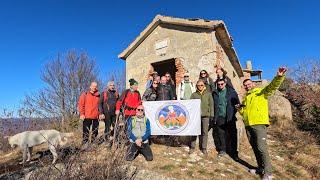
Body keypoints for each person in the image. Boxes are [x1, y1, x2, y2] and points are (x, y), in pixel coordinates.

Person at [237, 67, 287, 180]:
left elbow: (272, 87)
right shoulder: (246, 98)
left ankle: (268, 172)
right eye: (245, 85)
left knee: (261, 148)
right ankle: (260, 168)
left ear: (253, 84)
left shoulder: (261, 92)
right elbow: (244, 112)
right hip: (248, 125)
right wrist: (239, 109)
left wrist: (279, 76)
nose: (247, 86)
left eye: (249, 84)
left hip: (259, 124)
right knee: (255, 147)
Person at [212, 78, 240, 160]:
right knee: (221, 134)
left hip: (230, 117)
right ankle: (222, 150)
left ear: (225, 84)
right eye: (219, 84)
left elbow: (237, 104)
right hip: (220, 117)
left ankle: (234, 153)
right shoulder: (215, 93)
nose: (220, 86)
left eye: (222, 84)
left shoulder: (232, 92)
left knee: (233, 135)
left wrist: (232, 113)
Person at [189, 79, 214, 155]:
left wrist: (211, 115)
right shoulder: (194, 95)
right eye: (198, 85)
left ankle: (204, 148)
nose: (200, 86)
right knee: (194, 131)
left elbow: (211, 105)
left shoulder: (208, 94)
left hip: (206, 116)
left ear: (204, 86)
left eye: (201, 85)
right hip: (196, 116)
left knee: (205, 132)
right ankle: (192, 147)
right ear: (196, 86)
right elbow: (190, 105)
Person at [99, 81, 119, 146]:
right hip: (106, 113)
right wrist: (101, 113)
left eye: (113, 85)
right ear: (108, 86)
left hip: (114, 113)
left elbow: (118, 103)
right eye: (110, 85)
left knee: (116, 127)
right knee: (107, 127)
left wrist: (119, 110)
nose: (112, 86)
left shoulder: (116, 94)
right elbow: (100, 103)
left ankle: (115, 140)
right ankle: (107, 140)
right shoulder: (104, 93)